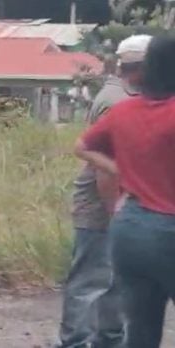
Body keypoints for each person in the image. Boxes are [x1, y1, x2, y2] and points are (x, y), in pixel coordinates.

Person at [74, 34, 175, 348]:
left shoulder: (123, 112)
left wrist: (120, 170)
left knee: (141, 331)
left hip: (130, 229)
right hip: (169, 230)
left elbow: (81, 147)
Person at [56, 34, 152, 348]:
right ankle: (76, 341)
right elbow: (104, 167)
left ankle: (108, 339)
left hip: (119, 203)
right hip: (103, 206)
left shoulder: (127, 97)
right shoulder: (116, 103)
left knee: (113, 280)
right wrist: (115, 214)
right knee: (90, 280)